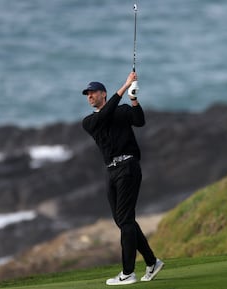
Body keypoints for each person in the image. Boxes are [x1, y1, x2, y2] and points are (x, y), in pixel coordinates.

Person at [82, 71, 164, 285]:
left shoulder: (122, 111)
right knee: (122, 221)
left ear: (103, 94)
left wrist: (134, 99)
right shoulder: (90, 121)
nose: (89, 96)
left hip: (128, 167)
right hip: (111, 172)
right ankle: (151, 262)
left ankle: (128, 272)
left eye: (93, 92)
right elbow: (105, 116)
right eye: (87, 94)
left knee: (126, 220)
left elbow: (140, 121)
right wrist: (124, 86)